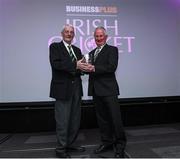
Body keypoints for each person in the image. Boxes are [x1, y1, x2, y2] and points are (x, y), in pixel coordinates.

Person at [81, 26, 127, 158]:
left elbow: (111, 67)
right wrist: (81, 67)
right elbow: (87, 70)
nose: (99, 38)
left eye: (101, 36)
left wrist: (93, 68)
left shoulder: (112, 50)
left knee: (115, 120)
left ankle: (120, 146)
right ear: (94, 38)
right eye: (96, 36)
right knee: (102, 120)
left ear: (105, 37)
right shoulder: (90, 53)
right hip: (96, 91)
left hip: (109, 91)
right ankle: (107, 142)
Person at [49, 24, 85, 158]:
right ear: (62, 33)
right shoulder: (55, 47)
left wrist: (85, 68)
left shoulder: (77, 49)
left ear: (74, 35)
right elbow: (56, 64)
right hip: (62, 89)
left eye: (71, 32)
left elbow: (79, 69)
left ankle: (70, 144)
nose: (69, 34)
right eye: (67, 32)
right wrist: (75, 65)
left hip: (76, 88)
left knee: (75, 119)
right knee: (63, 120)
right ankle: (61, 149)